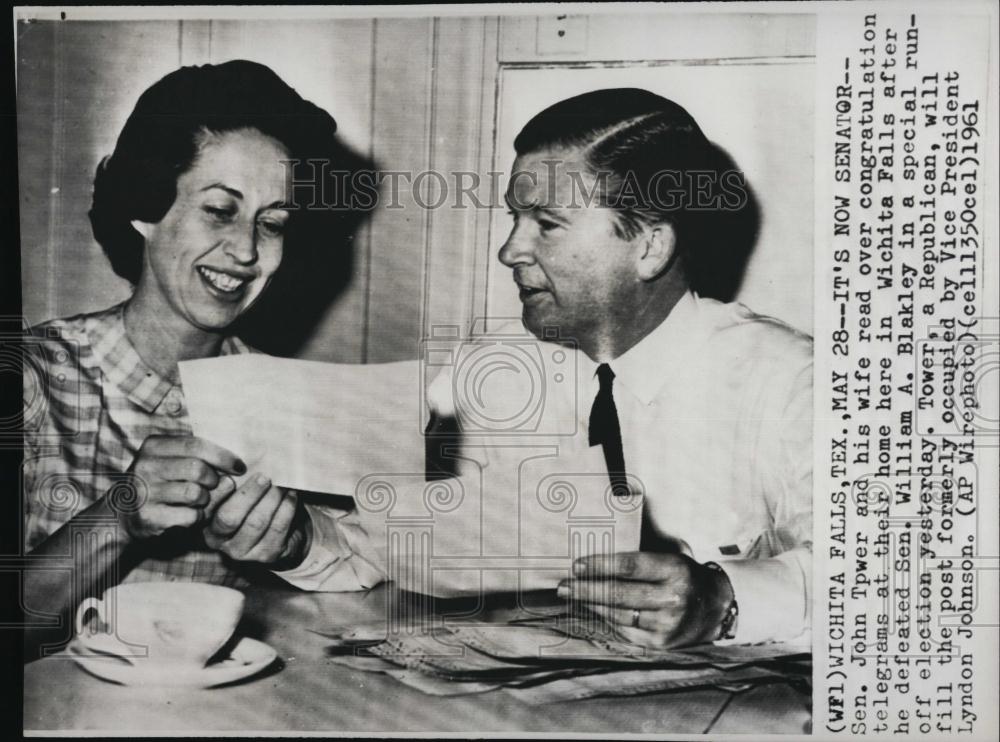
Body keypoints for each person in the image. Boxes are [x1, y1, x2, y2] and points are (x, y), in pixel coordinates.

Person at [276, 88, 812, 649]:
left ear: (650, 247)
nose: (510, 250)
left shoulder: (788, 381)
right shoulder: (490, 371)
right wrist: (292, 540)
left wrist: (723, 601)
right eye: (515, 218)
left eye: (546, 224)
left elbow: (883, 578)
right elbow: (381, 547)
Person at [22, 60, 341, 629]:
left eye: (272, 223)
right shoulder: (30, 375)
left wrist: (292, 546)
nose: (245, 250)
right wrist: (116, 520)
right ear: (145, 206)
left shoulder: (284, 398)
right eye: (220, 210)